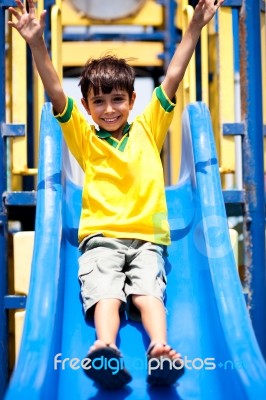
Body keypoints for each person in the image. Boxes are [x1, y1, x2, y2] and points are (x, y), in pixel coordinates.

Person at [9, 0, 224, 389]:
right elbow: (56, 91)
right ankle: (105, 348)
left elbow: (174, 73)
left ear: (132, 100)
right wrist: (36, 43)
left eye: (117, 99)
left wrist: (194, 26)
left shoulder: (148, 126)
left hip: (147, 239)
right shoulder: (84, 136)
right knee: (105, 292)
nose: (109, 109)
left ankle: (159, 349)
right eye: (99, 102)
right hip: (101, 237)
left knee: (148, 293)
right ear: (88, 108)